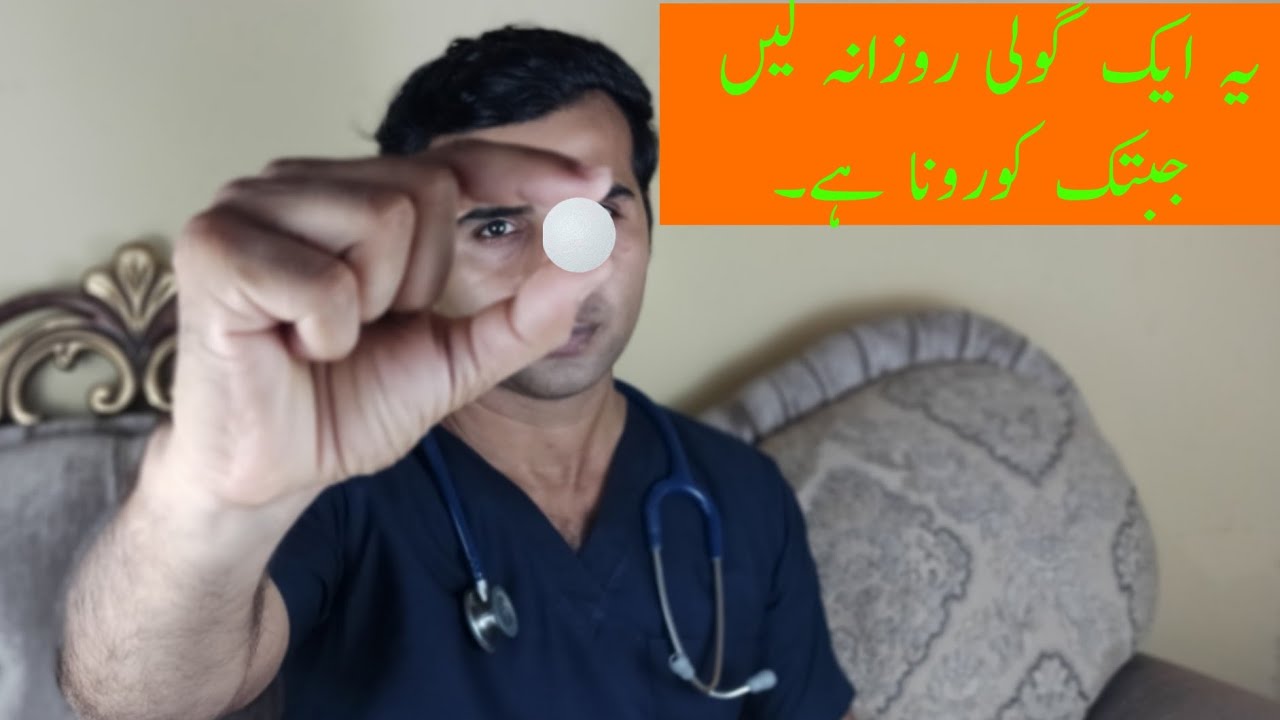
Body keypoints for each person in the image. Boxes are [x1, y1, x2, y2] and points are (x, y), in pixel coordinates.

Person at [57, 25, 857, 720]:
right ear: (421, 256)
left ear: (647, 226)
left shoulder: (740, 493)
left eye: (596, 217)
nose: (559, 273)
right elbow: (130, 699)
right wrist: (212, 495)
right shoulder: (335, 480)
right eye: (497, 226)